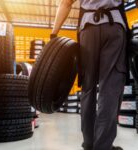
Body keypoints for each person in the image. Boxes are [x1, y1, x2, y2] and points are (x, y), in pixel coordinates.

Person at [51, 0, 129, 150]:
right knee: (110, 89)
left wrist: (54, 34)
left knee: (88, 87)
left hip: (88, 29)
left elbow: (65, 3)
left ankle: (89, 143)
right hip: (114, 28)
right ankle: (103, 146)